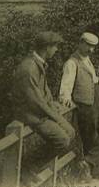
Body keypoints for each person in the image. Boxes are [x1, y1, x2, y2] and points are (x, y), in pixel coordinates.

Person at [12, 31, 77, 167]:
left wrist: (52, 104)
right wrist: (56, 117)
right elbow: (36, 102)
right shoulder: (29, 68)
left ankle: (37, 168)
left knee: (71, 132)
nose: (56, 50)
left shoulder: (38, 63)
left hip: (39, 111)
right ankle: (28, 167)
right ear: (46, 48)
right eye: (54, 46)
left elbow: (44, 93)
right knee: (63, 140)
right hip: (30, 114)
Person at [59, 32, 99, 181]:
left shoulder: (87, 60)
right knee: (90, 138)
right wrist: (66, 99)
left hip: (96, 103)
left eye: (93, 47)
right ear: (81, 43)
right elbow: (65, 87)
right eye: (88, 46)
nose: (91, 50)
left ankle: (88, 162)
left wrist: (98, 80)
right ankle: (95, 171)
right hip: (84, 105)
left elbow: (90, 78)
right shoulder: (71, 63)